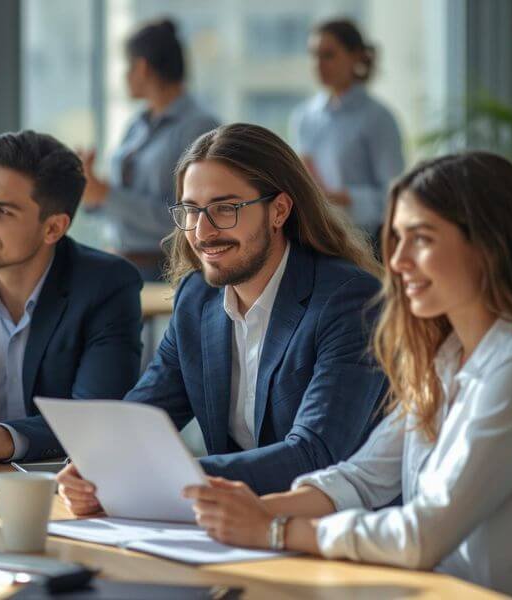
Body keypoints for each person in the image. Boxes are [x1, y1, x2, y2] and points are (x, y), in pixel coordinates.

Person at [183, 152, 512, 599]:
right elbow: (361, 478)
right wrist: (243, 512)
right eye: (398, 239)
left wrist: (275, 531)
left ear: (489, 247)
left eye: (422, 239)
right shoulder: (445, 359)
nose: (399, 261)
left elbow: (423, 534)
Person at [56, 123, 387, 511]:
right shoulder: (197, 298)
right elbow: (141, 419)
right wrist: (93, 467)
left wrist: (162, 476)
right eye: (191, 210)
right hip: (231, 531)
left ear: (279, 210)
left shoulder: (349, 300)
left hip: (336, 535)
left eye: (224, 209)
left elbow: (315, 454)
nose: (202, 231)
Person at [0, 130, 143, 463]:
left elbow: (95, 419)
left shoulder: (106, 286)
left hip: (59, 487)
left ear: (53, 229)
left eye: (3, 212)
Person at [80, 18, 219, 281]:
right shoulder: (138, 124)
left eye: (126, 67)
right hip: (122, 262)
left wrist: (107, 195)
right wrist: (92, 192)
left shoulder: (199, 127)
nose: (124, 76)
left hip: (167, 271)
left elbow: (189, 217)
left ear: (142, 67)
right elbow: (119, 198)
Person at [291, 18, 404, 244]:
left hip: (368, 242)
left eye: (328, 55)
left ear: (355, 57)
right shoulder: (304, 117)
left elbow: (395, 196)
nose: (318, 64)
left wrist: (343, 198)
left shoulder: (378, 118)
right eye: (314, 55)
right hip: (318, 238)